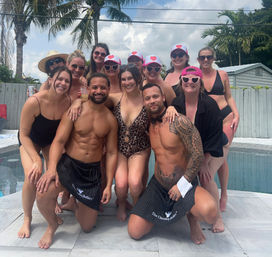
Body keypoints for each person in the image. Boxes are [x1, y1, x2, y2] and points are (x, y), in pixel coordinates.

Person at [35, 73, 118, 249]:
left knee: (87, 227)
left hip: (91, 173)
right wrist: (51, 169)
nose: (98, 90)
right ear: (88, 89)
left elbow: (111, 153)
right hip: (69, 165)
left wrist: (109, 184)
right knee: (42, 194)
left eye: (103, 87)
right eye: (94, 87)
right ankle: (52, 225)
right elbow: (58, 141)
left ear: (108, 90)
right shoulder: (75, 111)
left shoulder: (110, 120)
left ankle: (74, 203)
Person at [128, 83, 217, 244]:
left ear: (163, 97)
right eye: (147, 98)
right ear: (143, 102)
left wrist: (181, 185)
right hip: (159, 185)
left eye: (155, 96)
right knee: (135, 232)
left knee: (210, 213)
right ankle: (161, 212)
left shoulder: (179, 122)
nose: (152, 101)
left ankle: (192, 220)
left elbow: (197, 155)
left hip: (183, 182)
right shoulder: (147, 123)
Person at [17, 66, 72, 238]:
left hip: (49, 142)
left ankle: (51, 204)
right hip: (30, 141)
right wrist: (36, 160)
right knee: (32, 176)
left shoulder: (67, 102)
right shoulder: (35, 102)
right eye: (59, 79)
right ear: (50, 80)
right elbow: (24, 134)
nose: (62, 83)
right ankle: (27, 218)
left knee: (53, 175)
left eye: (67, 81)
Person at [171, 66, 227, 232]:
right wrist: (169, 108)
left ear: (200, 82)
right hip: (193, 149)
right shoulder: (177, 103)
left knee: (205, 176)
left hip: (215, 146)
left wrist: (204, 161)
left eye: (194, 79)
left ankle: (217, 218)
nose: (190, 82)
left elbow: (215, 136)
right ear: (181, 82)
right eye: (185, 79)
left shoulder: (210, 106)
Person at [197, 47, 240, 212]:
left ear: (213, 58)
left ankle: (223, 195)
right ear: (198, 59)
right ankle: (219, 195)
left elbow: (228, 96)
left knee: (218, 158)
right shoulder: (195, 75)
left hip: (226, 119)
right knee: (222, 159)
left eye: (208, 57)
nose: (206, 60)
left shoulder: (222, 75)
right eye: (202, 58)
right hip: (208, 123)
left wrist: (236, 115)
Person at [112, 64, 151, 221]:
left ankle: (137, 206)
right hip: (120, 148)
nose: (127, 82)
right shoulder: (116, 98)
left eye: (130, 78)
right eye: (123, 79)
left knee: (135, 184)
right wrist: (76, 103)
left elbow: (162, 108)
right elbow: (94, 101)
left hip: (140, 148)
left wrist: (171, 109)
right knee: (121, 186)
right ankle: (122, 204)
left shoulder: (146, 99)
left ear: (138, 79)